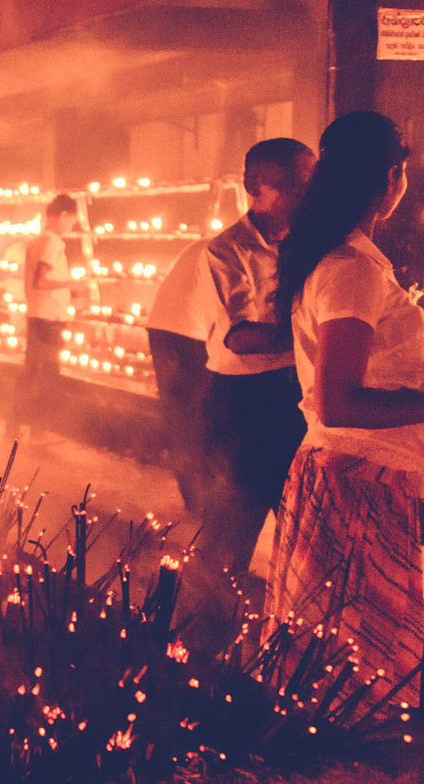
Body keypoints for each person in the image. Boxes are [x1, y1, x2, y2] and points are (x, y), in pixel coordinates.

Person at [270, 111, 424, 717]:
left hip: (356, 482)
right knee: (357, 668)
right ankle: (344, 782)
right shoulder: (351, 271)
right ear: (391, 178)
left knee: (339, 660)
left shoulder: (350, 261)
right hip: (358, 490)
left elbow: (366, 371)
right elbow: (341, 401)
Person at [200, 138, 316, 574]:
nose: (312, 196)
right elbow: (241, 337)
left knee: (300, 525)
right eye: (301, 186)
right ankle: (195, 631)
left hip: (293, 396)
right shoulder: (226, 250)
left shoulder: (307, 245)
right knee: (232, 531)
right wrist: (319, 337)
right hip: (243, 403)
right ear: (258, 188)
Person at [146, 236, 220, 516]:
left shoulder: (204, 244)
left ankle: (192, 497)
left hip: (160, 327)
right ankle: (203, 500)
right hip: (190, 332)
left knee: (178, 416)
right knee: (198, 416)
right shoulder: (235, 250)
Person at [18, 193, 78, 433]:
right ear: (62, 215)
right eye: (72, 221)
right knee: (48, 376)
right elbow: (41, 282)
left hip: (36, 314)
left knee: (30, 371)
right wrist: (71, 285)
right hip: (49, 319)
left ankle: (15, 424)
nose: (71, 227)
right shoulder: (53, 243)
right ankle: (39, 428)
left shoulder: (36, 241)